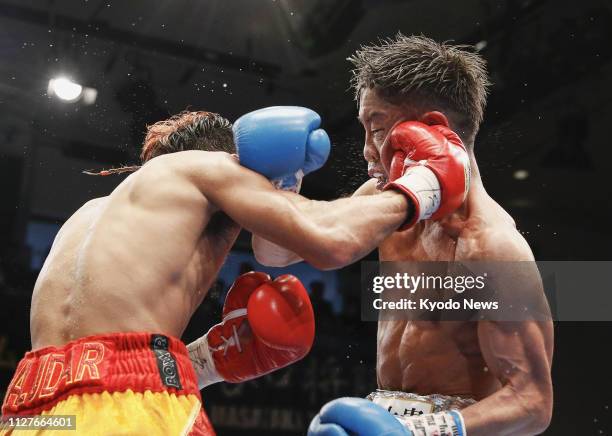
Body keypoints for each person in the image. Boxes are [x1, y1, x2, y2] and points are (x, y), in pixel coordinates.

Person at [1, 105, 467, 435]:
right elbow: (329, 240)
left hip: (28, 409)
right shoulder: (212, 167)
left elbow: (98, 369)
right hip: (129, 408)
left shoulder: (90, 213)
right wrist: (421, 186)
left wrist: (203, 362)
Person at [253, 35, 554, 435]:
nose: (365, 150)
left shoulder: (491, 247)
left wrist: (419, 432)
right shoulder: (386, 205)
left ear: (432, 131)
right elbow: (273, 253)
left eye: (376, 129)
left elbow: (531, 402)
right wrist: (283, 183)